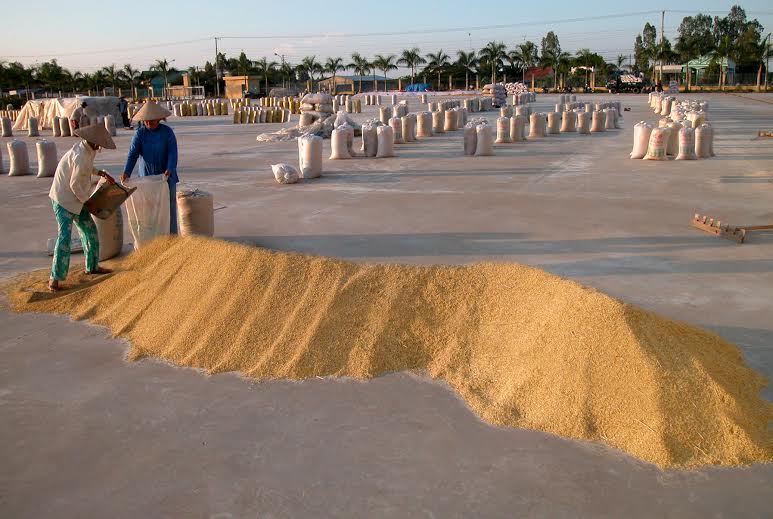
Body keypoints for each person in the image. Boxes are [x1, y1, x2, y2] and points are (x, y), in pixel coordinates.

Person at [48, 124, 118, 292]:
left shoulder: (87, 150)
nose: (100, 147)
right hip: (63, 200)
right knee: (64, 238)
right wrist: (89, 203)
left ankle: (92, 266)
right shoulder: (80, 155)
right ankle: (54, 279)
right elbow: (74, 184)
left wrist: (100, 173)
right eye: (99, 144)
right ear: (93, 141)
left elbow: (86, 169)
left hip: (77, 199)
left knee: (90, 231)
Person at [120, 101, 179, 233]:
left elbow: (172, 153)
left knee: (168, 209)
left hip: (166, 177)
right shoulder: (140, 134)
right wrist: (126, 172)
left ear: (159, 119)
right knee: (149, 210)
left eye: (152, 120)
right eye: (146, 121)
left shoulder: (167, 133)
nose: (148, 123)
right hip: (147, 178)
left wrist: (170, 168)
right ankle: (153, 238)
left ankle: (171, 237)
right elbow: (133, 154)